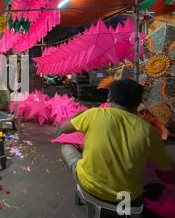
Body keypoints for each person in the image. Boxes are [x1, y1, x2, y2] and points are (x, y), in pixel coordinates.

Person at [61, 78, 175, 206]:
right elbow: (167, 173)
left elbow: (64, 128)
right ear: (139, 102)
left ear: (110, 97)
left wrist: (80, 113)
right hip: (129, 196)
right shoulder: (149, 130)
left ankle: (80, 189)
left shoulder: (94, 114)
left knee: (67, 147)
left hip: (91, 186)